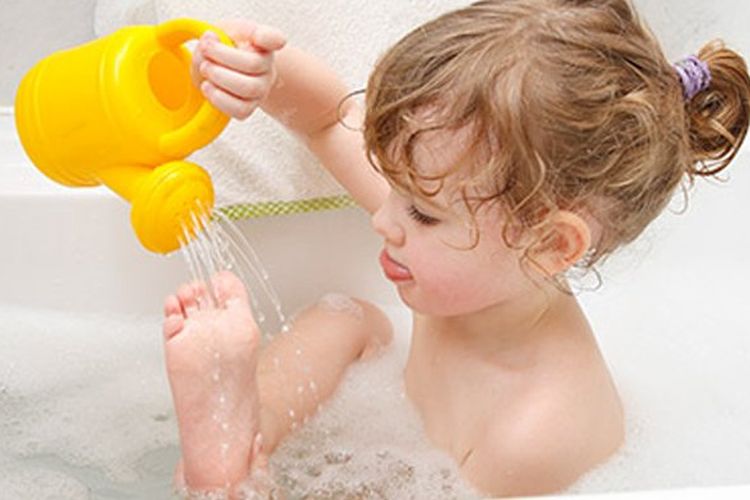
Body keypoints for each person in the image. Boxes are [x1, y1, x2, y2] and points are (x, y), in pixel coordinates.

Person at [161, 1, 750, 497]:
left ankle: (228, 477)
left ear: (551, 244)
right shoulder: (486, 251)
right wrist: (260, 74)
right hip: (409, 438)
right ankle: (242, 435)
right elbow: (326, 121)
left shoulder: (535, 433)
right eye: (393, 188)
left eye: (420, 212)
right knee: (351, 319)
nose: (383, 218)